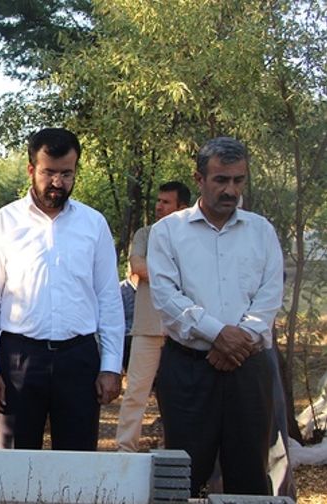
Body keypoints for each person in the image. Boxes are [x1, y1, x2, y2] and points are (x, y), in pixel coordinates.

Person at [148, 137, 283, 496]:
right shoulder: (167, 232)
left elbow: (269, 296)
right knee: (184, 475)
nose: (231, 190)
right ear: (199, 178)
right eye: (221, 179)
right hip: (189, 369)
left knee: (250, 474)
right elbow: (166, 297)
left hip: (249, 367)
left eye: (238, 180)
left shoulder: (261, 231)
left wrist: (240, 339)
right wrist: (218, 334)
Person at [0, 127, 125, 451]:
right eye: (49, 172)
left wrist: (111, 365)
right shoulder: (3, 223)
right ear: (32, 169)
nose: (57, 182)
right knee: (15, 466)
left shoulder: (94, 224)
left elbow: (108, 298)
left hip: (79, 360)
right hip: (18, 359)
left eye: (66, 173)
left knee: (77, 464)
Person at [115, 181, 190, 452]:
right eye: (158, 201)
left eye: (166, 202)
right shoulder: (145, 234)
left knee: (180, 395)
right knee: (136, 392)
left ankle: (179, 450)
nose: (159, 206)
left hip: (184, 329)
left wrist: (157, 271)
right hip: (147, 326)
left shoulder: (194, 237)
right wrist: (178, 274)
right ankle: (125, 451)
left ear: (182, 207)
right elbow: (138, 267)